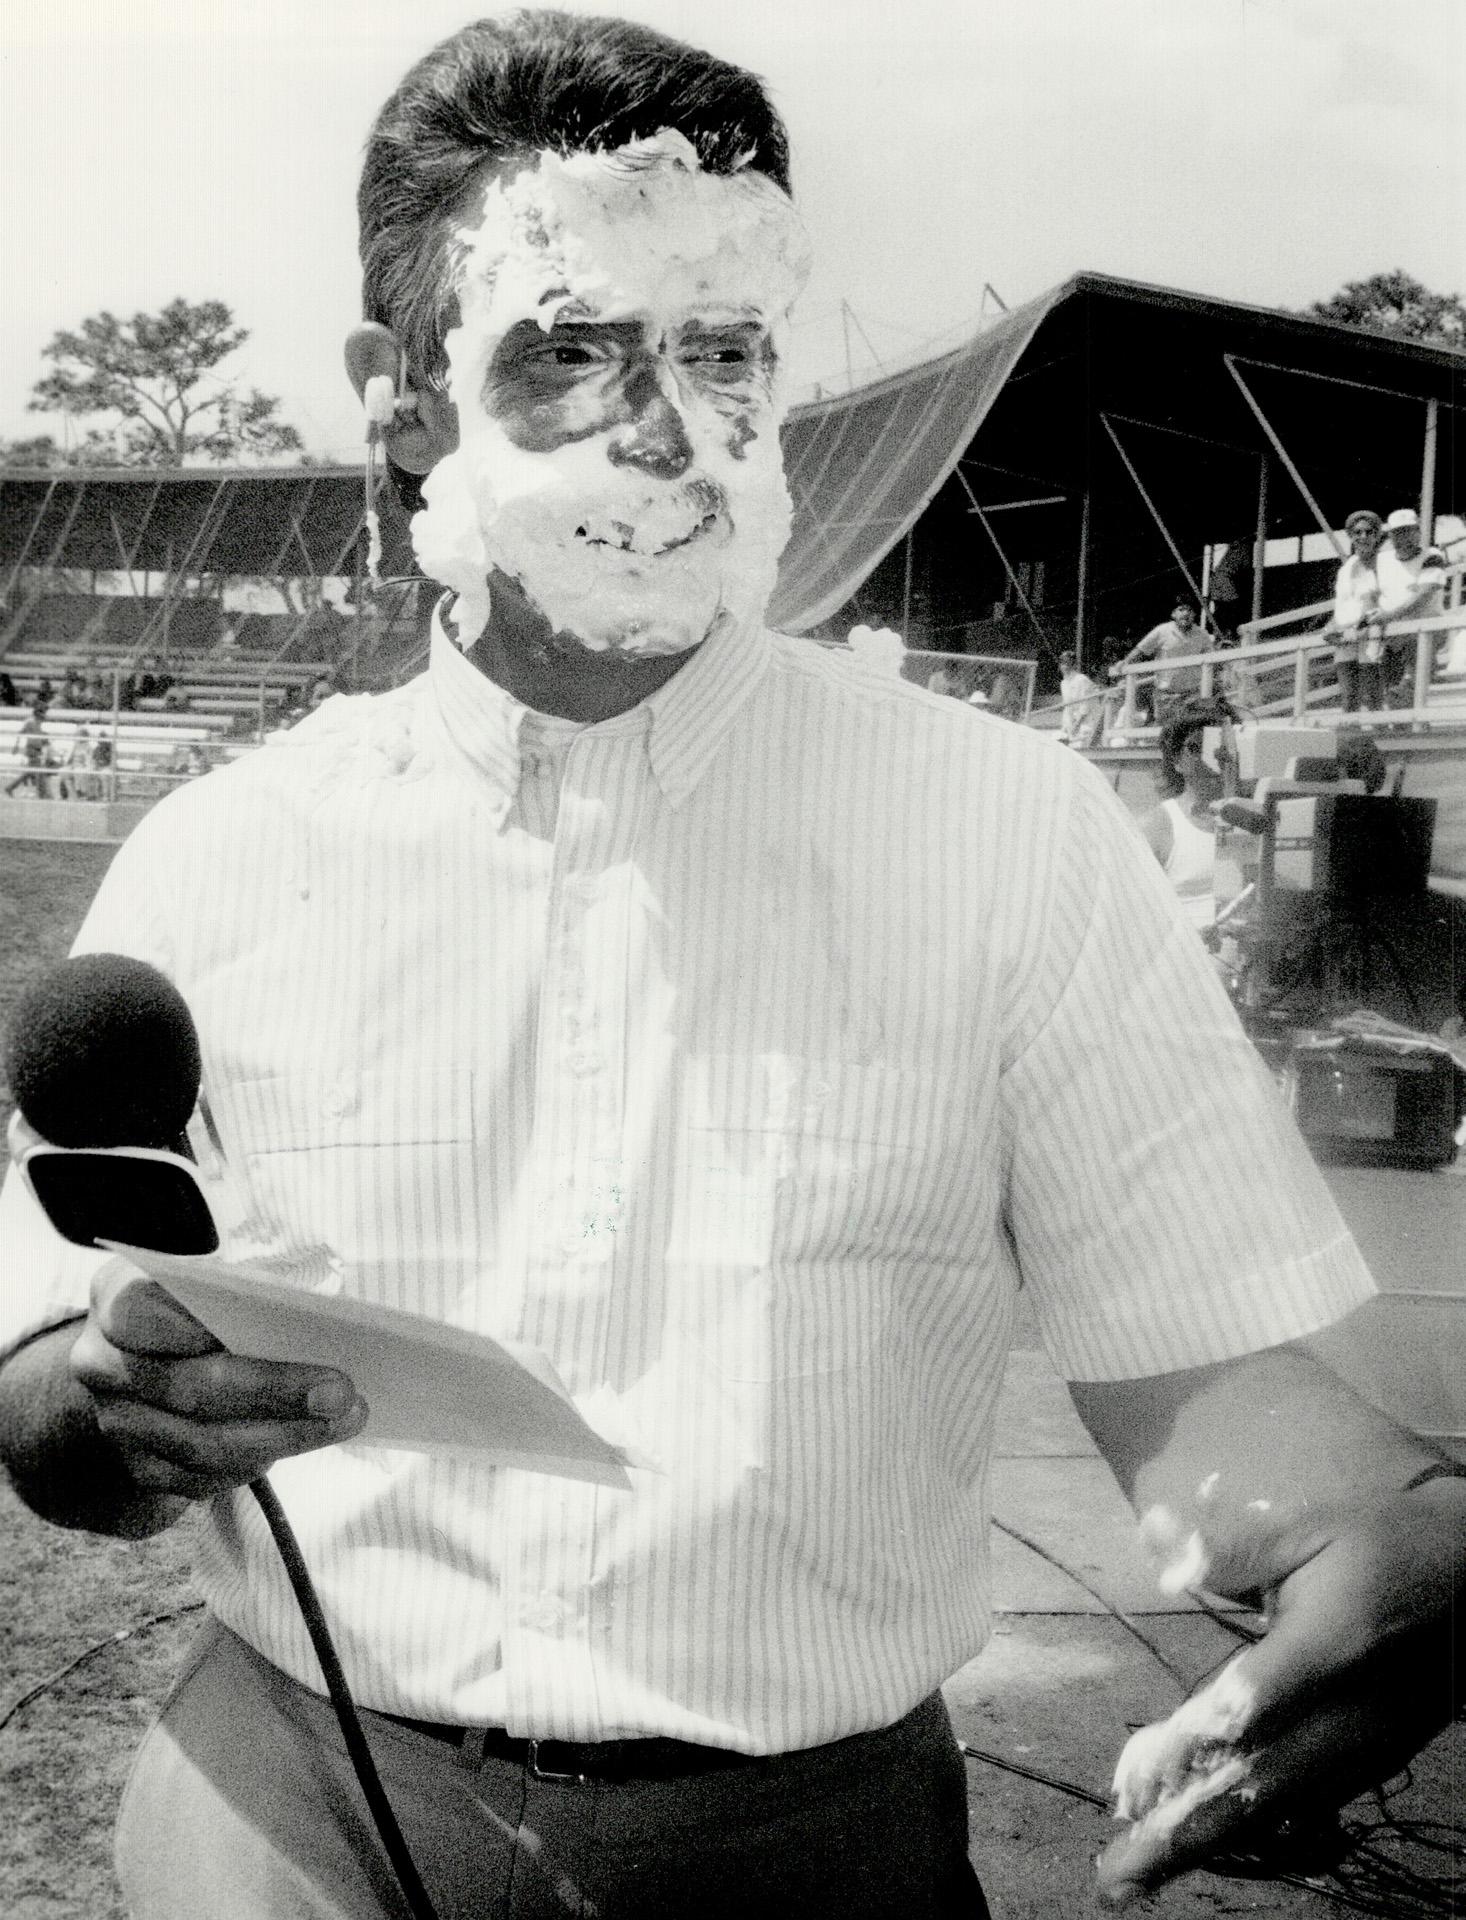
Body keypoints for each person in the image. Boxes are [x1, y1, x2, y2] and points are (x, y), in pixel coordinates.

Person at [0, 17, 1462, 1920]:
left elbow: (1215, 1414)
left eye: (721, 351)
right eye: (569, 349)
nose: (669, 428)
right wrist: (93, 1420)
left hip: (809, 1854)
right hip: (285, 1823)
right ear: (400, 395)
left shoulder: (1012, 834)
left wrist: (1380, 1540)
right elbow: (42, 1367)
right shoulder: (217, 851)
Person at [1137, 699, 1235, 931]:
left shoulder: (1261, 817)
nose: (1213, 757)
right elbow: (1132, 918)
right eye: (1197, 747)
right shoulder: (1157, 827)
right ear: (1176, 760)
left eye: (1222, 744)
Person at [1377, 507, 1447, 702]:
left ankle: (1410, 693)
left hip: (1425, 631)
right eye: (1398, 532)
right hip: (1392, 634)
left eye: (1409, 531)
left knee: (1409, 682)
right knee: (1390, 689)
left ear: (1418, 532)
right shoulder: (1382, 561)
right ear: (1390, 536)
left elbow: (1423, 595)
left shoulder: (1432, 555)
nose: (1405, 537)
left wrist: (1389, 614)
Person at [1324, 508, 1387, 713]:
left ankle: (1379, 739)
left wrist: (1361, 624)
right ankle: (1355, 744)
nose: (1363, 537)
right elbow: (1342, 604)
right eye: (1357, 532)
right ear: (1350, 536)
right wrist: (1332, 626)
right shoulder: (1346, 568)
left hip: (1372, 636)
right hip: (1346, 638)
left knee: (1372, 695)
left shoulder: (1386, 563)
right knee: (1349, 698)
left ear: (1377, 535)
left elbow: (1381, 600)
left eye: (1369, 532)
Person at [1111, 601, 1208, 723]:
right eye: (1181, 609)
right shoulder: (1162, 631)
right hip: (1166, 695)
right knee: (1166, 732)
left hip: (1192, 694)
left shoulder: (1202, 634)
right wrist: (1125, 662)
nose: (1185, 613)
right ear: (1173, 614)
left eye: (1189, 610)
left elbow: (1212, 658)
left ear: (1194, 615)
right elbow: (1141, 649)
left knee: (1191, 732)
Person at [4, 698, 52, 797]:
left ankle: (10, 787)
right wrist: (16, 747)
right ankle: (42, 793)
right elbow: (21, 734)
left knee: (30, 772)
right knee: (38, 771)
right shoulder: (31, 722)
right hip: (32, 749)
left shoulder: (38, 721)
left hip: (36, 749)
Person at [1056, 649, 1103, 746]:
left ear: (1074, 665)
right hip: (1073, 722)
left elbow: (1085, 706)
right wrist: (1066, 727)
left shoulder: (1081, 679)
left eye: (1068, 663)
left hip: (1088, 722)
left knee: (1079, 744)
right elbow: (1067, 707)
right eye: (1062, 663)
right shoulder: (1063, 683)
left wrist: (1076, 725)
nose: (1065, 666)